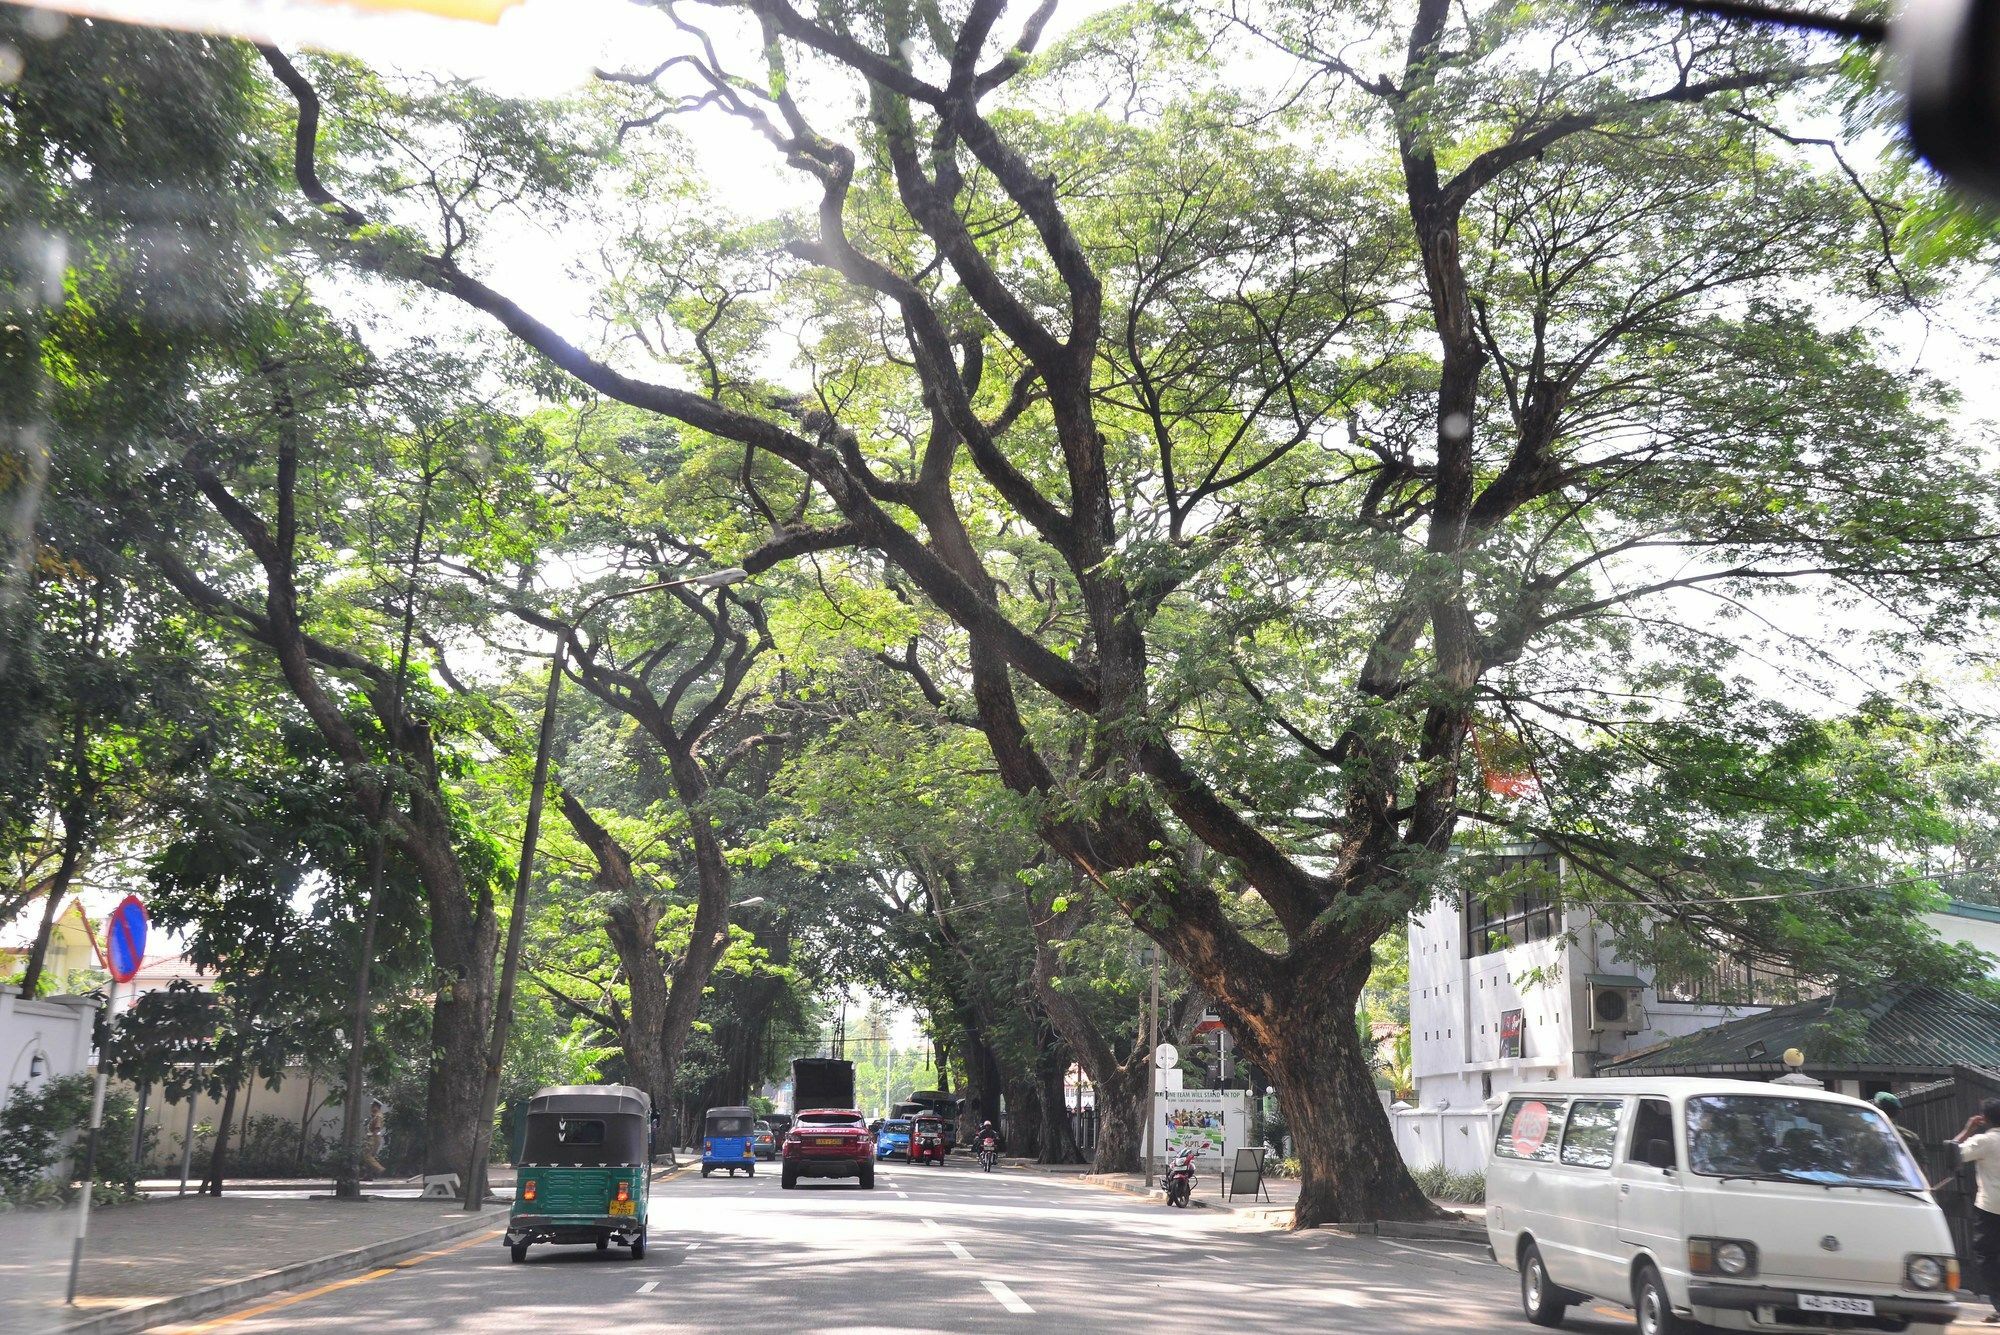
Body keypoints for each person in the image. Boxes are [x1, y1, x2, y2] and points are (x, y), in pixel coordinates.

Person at [1950, 1097, 2000, 1325]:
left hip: (1990, 1208)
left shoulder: (1985, 1141)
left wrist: (1967, 1129)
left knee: (1987, 1257)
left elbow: (1953, 1152)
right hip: (1990, 1207)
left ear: (1985, 1119)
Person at [1874, 1091, 1924, 1162]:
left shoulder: (1867, 1135)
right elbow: (1923, 1169)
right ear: (1898, 1112)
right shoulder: (1911, 1137)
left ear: (1877, 1110)